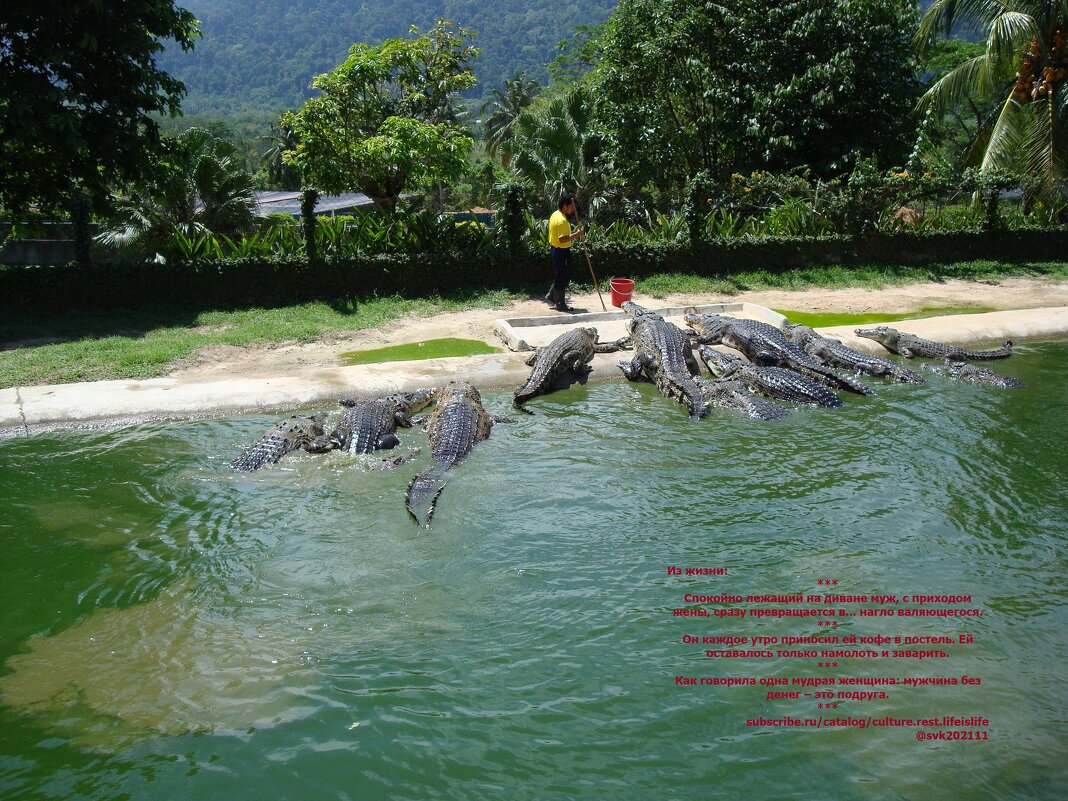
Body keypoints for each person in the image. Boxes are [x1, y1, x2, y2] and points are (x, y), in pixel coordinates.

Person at [546, 193, 585, 312]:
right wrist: (577, 234)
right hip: (561, 250)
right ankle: (560, 303)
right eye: (572, 206)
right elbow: (562, 239)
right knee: (563, 276)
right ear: (565, 205)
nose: (573, 209)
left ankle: (552, 295)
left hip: (557, 249)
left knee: (562, 274)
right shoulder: (562, 220)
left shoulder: (555, 214)